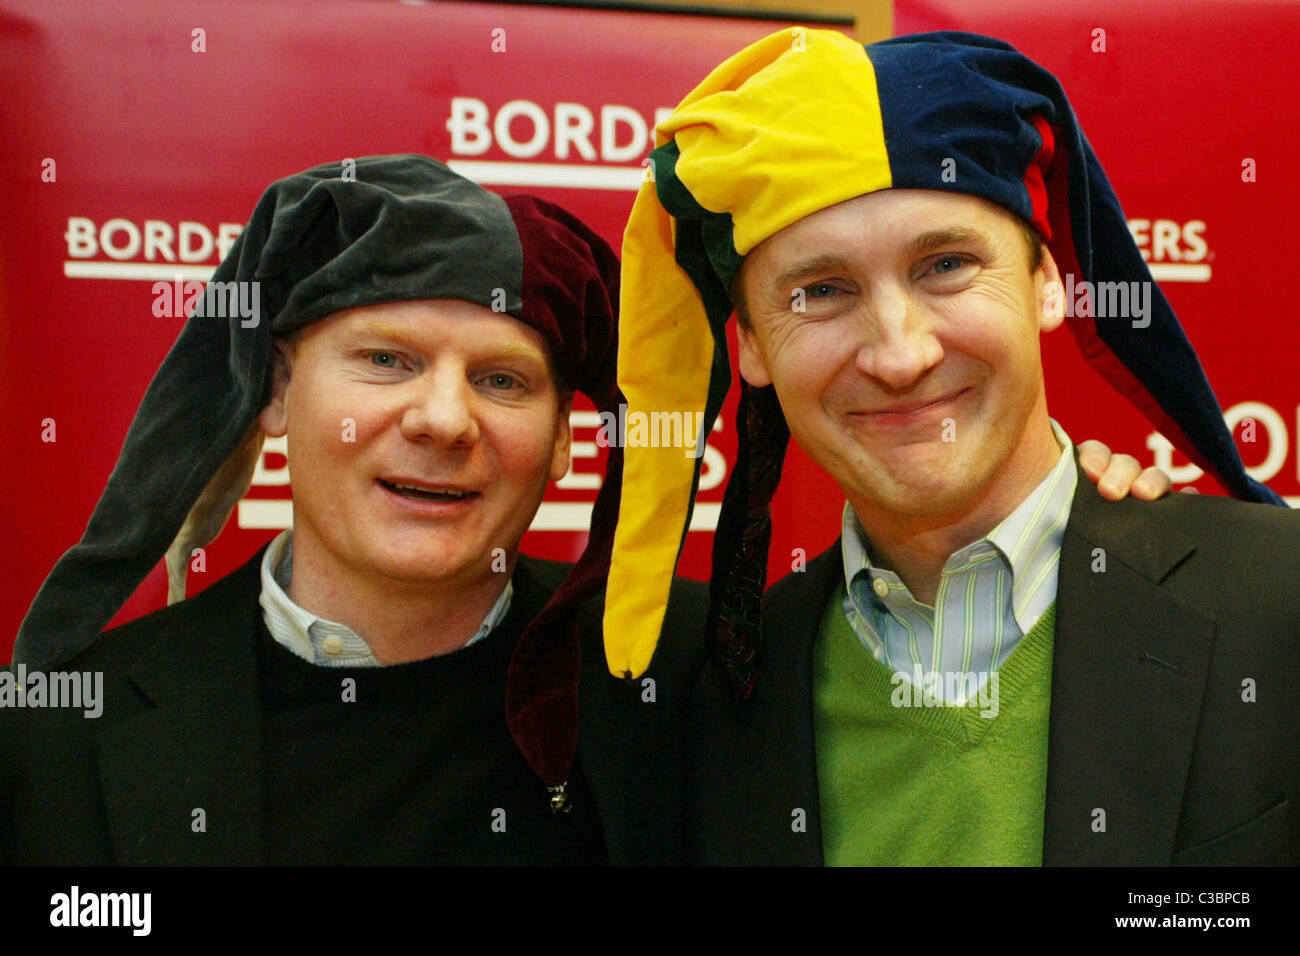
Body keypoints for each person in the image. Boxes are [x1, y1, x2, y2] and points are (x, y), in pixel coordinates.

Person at [601, 30, 1298, 865]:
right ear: (749, 343)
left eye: (946, 265)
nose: (900, 354)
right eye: (822, 291)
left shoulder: (1277, 601)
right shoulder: (710, 696)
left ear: (1048, 284)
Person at [0, 154, 706, 865]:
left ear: (560, 439)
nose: (443, 419)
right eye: (386, 360)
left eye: (501, 379)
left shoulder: (690, 680)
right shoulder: (59, 730)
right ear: (274, 392)